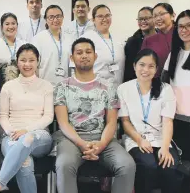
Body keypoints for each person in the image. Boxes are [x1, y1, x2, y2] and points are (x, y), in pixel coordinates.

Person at [53, 37, 136, 193]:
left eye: (88, 52)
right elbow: (63, 123)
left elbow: (111, 122)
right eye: (79, 52)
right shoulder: (62, 86)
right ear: (72, 58)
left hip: (102, 138)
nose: (84, 55)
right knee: (64, 164)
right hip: (71, 138)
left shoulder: (109, 86)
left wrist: (101, 145)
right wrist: (82, 144)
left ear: (95, 56)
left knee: (127, 165)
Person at [0, 44, 53, 193]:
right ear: (17, 62)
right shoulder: (8, 86)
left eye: (31, 60)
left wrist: (26, 130)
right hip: (11, 135)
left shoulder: (46, 86)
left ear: (38, 61)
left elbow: (48, 116)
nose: (27, 64)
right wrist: (11, 132)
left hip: (39, 136)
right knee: (25, 162)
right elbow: (3, 116)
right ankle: (0, 185)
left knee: (28, 138)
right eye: (23, 60)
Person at [118, 49, 183, 193]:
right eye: (142, 65)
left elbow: (167, 122)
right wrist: (139, 140)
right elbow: (125, 121)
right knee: (148, 165)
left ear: (156, 69)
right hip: (136, 139)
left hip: (161, 139)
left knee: (169, 167)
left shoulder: (166, 89)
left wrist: (165, 148)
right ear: (134, 66)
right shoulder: (123, 89)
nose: (145, 70)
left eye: (151, 66)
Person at [162, 10, 190, 193]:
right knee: (176, 164)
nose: (184, 30)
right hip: (172, 119)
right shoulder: (174, 55)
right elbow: (164, 85)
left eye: (189, 25)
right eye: (180, 26)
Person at [81, 4, 125, 86]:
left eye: (107, 15)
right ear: (93, 19)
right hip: (95, 90)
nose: (104, 19)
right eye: (100, 16)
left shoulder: (118, 39)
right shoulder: (86, 39)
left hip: (117, 89)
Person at [32, 5, 74, 86]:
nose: (55, 20)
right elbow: (34, 65)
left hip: (66, 87)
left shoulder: (70, 39)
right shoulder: (38, 39)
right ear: (46, 19)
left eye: (58, 16)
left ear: (63, 17)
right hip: (44, 86)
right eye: (51, 17)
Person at [141, 3, 175, 78]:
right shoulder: (149, 40)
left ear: (173, 15)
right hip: (157, 84)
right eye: (155, 16)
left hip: (182, 84)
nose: (158, 18)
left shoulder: (183, 36)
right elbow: (143, 65)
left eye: (161, 14)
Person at [123, 6, 157, 82]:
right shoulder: (132, 42)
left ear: (154, 18)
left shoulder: (162, 38)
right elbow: (129, 69)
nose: (143, 21)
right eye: (140, 19)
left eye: (146, 18)